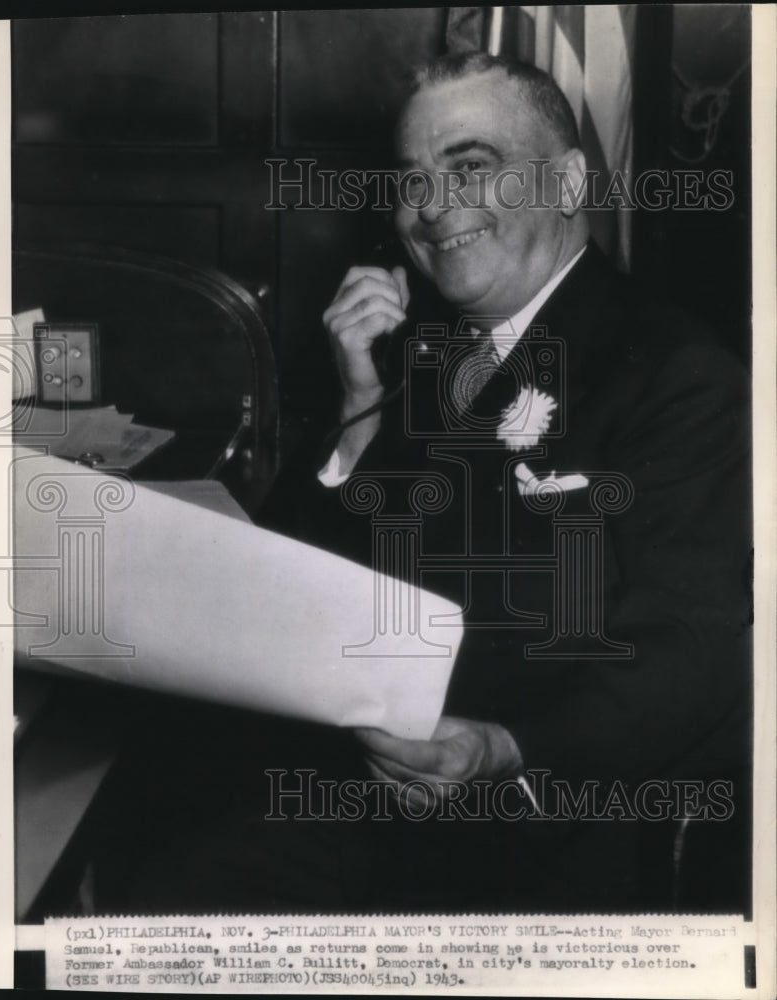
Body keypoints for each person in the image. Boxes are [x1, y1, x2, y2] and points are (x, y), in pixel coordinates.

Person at [128, 53, 751, 915]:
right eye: (413, 178)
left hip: (548, 826)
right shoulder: (429, 354)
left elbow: (695, 648)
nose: (431, 207)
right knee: (142, 862)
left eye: (471, 167)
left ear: (567, 182)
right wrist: (359, 409)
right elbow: (294, 591)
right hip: (372, 797)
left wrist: (501, 748)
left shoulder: (678, 374)